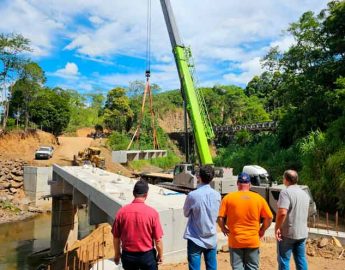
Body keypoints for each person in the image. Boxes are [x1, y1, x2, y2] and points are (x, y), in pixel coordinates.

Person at [218, 172, 273, 270]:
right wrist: (262, 230)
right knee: (252, 267)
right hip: (253, 240)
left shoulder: (228, 198)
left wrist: (223, 228)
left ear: (237, 183)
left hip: (235, 240)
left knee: (237, 267)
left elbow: (220, 218)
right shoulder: (258, 198)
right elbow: (269, 217)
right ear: (250, 184)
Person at [112, 180, 163, 270]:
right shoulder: (152, 213)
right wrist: (160, 255)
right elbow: (158, 240)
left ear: (133, 193)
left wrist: (117, 254)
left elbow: (116, 237)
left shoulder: (121, 212)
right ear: (146, 195)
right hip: (147, 256)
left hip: (128, 256)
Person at [183, 165, 221, 270]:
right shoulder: (217, 195)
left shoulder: (192, 195)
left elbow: (186, 213)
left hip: (195, 237)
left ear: (198, 177)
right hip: (211, 238)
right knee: (212, 267)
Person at [275, 170, 310, 270]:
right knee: (301, 258)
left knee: (284, 259)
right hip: (302, 233)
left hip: (288, 233)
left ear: (286, 180)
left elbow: (282, 212)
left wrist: (277, 228)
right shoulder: (305, 194)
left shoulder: (285, 192)